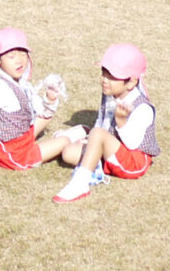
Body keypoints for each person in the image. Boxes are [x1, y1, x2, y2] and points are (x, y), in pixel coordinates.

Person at [53, 42, 161, 202]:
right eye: (103, 73)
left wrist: (121, 121)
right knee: (68, 153)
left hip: (133, 162)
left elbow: (132, 144)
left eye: (112, 77)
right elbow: (102, 122)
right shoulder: (110, 94)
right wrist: (90, 141)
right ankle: (88, 144)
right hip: (110, 150)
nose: (104, 80)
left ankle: (80, 184)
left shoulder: (142, 108)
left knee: (97, 134)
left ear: (131, 82)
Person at [0, 28, 78, 170]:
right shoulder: (0, 87)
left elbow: (40, 110)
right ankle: (70, 139)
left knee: (46, 117)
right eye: (11, 56)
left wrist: (50, 99)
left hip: (23, 136)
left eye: (23, 54)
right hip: (15, 154)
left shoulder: (21, 83)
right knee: (64, 141)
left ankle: (76, 135)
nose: (19, 60)